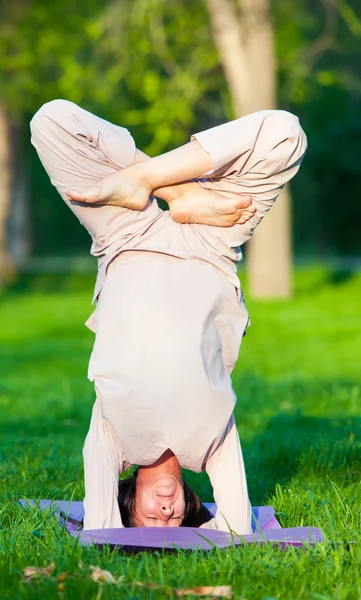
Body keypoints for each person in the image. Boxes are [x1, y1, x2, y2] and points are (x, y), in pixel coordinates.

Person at [30, 100, 307, 533]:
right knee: (284, 132)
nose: (166, 513)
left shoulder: (112, 441)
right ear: (191, 509)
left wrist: (148, 184)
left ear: (128, 503)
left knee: (53, 121)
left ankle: (150, 181)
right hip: (212, 238)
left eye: (149, 521)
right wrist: (185, 199)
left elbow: (100, 532)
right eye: (175, 523)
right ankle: (172, 190)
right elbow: (237, 529)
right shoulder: (212, 446)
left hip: (124, 234)